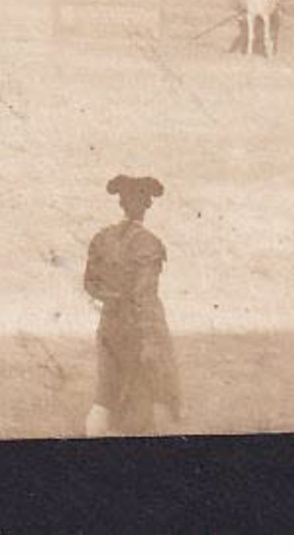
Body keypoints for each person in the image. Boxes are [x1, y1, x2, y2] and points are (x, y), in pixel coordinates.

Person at [83, 175, 182, 437]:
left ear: (122, 204)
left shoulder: (102, 238)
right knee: (144, 399)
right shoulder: (148, 243)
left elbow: (90, 284)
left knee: (105, 395)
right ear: (147, 205)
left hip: (109, 323)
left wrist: (112, 298)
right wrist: (151, 340)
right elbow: (145, 295)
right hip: (139, 329)